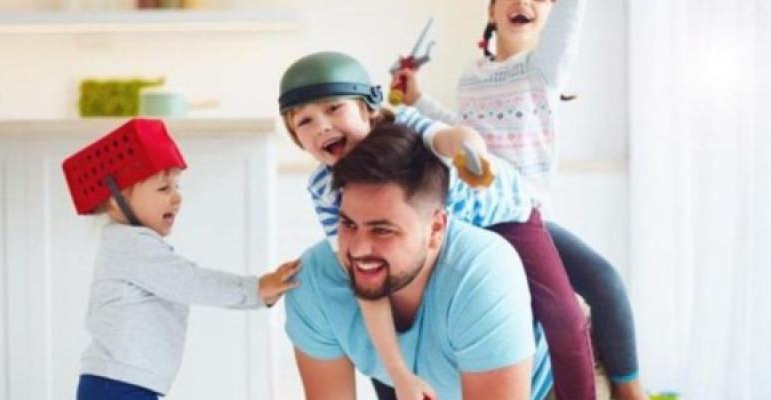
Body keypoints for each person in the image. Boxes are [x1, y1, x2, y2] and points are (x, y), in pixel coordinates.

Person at [278, 51, 595, 399]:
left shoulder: (404, 126)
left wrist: (470, 154)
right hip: (432, 241)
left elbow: (451, 137)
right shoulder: (325, 191)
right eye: (304, 122)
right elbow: (365, 282)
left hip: (503, 214)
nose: (321, 125)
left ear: (369, 107)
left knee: (565, 311)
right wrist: (399, 374)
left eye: (333, 108)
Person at [390, 0, 648, 398]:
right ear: (491, 13)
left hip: (523, 217)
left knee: (602, 283)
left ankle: (630, 392)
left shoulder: (542, 69)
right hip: (477, 218)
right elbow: (464, 130)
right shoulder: (472, 76)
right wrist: (417, 99)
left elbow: (571, 15)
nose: (523, 2)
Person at [285, 123, 553, 400]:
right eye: (348, 224)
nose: (358, 249)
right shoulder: (315, 282)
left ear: (436, 229)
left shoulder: (481, 273)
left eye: (382, 230)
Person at [61, 118, 300, 400]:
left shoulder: (130, 244)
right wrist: (255, 289)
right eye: (164, 189)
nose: (177, 198)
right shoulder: (132, 246)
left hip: (119, 384)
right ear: (116, 199)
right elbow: (191, 282)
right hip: (118, 386)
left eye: (177, 187)